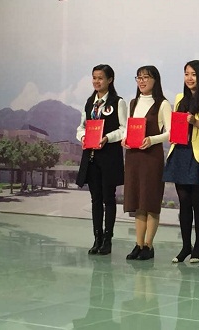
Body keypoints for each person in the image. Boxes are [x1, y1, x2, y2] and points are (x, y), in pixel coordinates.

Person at [163, 60, 199, 264]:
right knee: (183, 202)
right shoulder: (179, 98)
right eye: (186, 74)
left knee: (198, 202)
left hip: (198, 155)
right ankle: (185, 246)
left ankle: (198, 247)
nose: (189, 78)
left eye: (193, 74)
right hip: (180, 151)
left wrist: (195, 121)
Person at [76, 64, 127, 255]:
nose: (96, 81)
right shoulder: (90, 102)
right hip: (91, 158)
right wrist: (83, 137)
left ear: (110, 80)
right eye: (94, 78)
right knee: (95, 199)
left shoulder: (118, 102)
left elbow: (124, 129)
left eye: (100, 78)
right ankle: (96, 238)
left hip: (109, 158)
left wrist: (107, 138)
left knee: (108, 199)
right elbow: (81, 127)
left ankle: (107, 240)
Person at [122, 65, 171, 261]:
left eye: (146, 77)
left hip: (152, 157)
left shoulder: (163, 104)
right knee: (138, 203)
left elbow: (171, 133)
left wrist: (152, 139)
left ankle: (149, 246)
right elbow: (129, 128)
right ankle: (138, 244)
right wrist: (125, 139)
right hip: (133, 157)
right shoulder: (133, 103)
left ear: (155, 80)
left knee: (150, 202)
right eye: (139, 78)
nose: (142, 81)